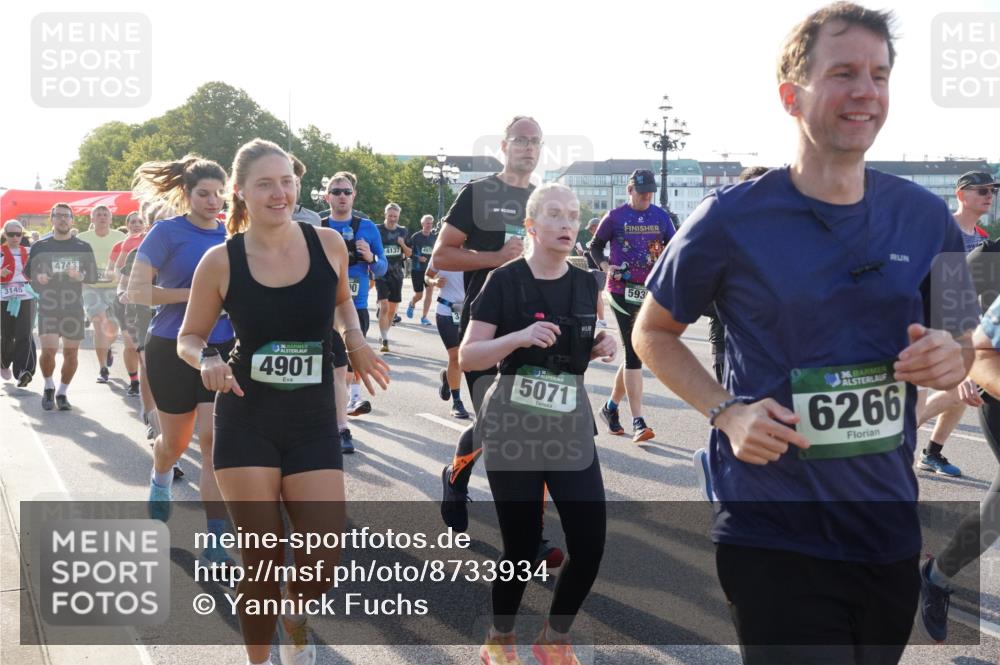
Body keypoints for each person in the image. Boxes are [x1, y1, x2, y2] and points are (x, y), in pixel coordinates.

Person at [634, 4, 978, 663]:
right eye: (844, 73)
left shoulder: (926, 217)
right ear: (792, 96)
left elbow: (966, 337)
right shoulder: (728, 218)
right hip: (772, 526)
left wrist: (950, 353)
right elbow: (653, 331)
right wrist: (726, 411)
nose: (867, 91)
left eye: (880, 75)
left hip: (885, 524)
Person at [179, 138, 389, 665]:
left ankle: (294, 615)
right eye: (265, 184)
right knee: (262, 560)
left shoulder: (328, 243)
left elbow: (341, 302)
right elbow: (189, 336)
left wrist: (356, 341)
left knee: (323, 556)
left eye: (287, 182)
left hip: (312, 419)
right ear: (241, 192)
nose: (280, 193)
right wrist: (206, 359)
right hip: (247, 415)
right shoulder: (220, 260)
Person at [462, 183, 615, 664]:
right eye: (554, 214)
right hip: (514, 428)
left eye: (573, 215)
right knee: (522, 549)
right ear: (531, 225)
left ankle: (554, 638)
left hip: (570, 426)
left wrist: (600, 344)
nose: (567, 223)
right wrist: (519, 337)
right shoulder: (504, 281)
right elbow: (469, 356)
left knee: (590, 544)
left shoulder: (588, 283)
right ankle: (499, 639)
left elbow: (581, 341)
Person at [128, 156, 235, 571]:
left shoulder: (232, 234)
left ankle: (215, 541)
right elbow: (137, 292)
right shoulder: (166, 232)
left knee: (213, 444)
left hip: (221, 348)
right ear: (187, 194)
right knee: (174, 443)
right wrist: (196, 295)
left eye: (218, 194)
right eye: (203, 194)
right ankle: (160, 477)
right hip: (171, 347)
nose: (212, 201)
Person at [432, 115, 538, 532]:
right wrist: (496, 259)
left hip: (532, 331)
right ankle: (458, 480)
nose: (528, 147)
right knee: (497, 426)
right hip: (484, 327)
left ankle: (530, 532)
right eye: (521, 140)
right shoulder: (477, 194)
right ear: (504, 145)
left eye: (535, 141)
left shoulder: (542, 199)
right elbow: (442, 255)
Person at [914, 171, 999, 477]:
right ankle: (891, 449)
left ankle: (931, 452)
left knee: (966, 395)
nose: (989, 196)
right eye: (982, 191)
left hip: (965, 329)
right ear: (961, 194)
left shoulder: (983, 239)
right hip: (931, 325)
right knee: (956, 391)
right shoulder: (941, 231)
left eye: (992, 191)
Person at [590, 169, 675, 443]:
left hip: (649, 292)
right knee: (634, 351)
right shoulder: (615, 217)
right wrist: (606, 267)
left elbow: (674, 249)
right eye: (642, 192)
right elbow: (595, 246)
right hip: (621, 291)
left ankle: (610, 407)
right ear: (630, 191)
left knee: (636, 352)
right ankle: (638, 421)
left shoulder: (661, 217)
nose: (647, 196)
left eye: (651, 192)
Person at [320, 172, 387, 431]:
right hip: (322, 308)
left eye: (347, 192)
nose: (342, 196)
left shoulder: (367, 227)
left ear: (354, 195)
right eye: (336, 192)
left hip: (355, 306)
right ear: (327, 197)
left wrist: (370, 258)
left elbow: (382, 268)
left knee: (351, 358)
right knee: (331, 364)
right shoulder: (318, 226)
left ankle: (351, 401)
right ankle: (340, 411)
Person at [24, 203, 99, 410]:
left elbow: (93, 276)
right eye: (58, 216)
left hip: (73, 306)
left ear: (72, 220)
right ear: (52, 219)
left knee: (71, 354)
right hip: (48, 305)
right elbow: (29, 273)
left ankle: (62, 392)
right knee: (48, 351)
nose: (63, 219)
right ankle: (49, 386)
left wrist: (79, 275)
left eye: (67, 216)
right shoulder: (40, 246)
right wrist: (38, 277)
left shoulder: (83, 247)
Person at [77, 205, 126, 383]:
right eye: (98, 214)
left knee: (112, 329)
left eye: (106, 214)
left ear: (111, 219)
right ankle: (103, 368)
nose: (102, 217)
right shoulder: (82, 238)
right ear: (92, 219)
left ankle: (107, 348)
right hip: (91, 287)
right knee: (99, 323)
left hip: (114, 288)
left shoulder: (121, 237)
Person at [423, 258, 469, 418]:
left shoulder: (476, 252)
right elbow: (427, 276)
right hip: (447, 309)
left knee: (467, 357)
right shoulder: (442, 253)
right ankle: (457, 402)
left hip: (470, 310)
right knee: (456, 356)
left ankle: (448, 378)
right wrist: (434, 282)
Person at [107, 211, 146, 395]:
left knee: (145, 345)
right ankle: (134, 380)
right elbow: (116, 270)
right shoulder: (124, 244)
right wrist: (123, 287)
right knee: (131, 343)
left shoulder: (156, 241)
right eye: (133, 222)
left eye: (140, 222)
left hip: (149, 299)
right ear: (127, 224)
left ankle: (148, 381)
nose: (136, 225)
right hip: (126, 297)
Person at [1, 219, 37, 387]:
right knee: (6, 334)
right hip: (3, 297)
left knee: (25, 333)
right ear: (5, 235)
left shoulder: (29, 252)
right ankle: (3, 362)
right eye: (11, 234)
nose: (15, 237)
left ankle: (24, 371)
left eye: (18, 234)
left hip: (25, 296)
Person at [375, 202, 409, 353]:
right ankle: (384, 339)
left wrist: (402, 245)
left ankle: (384, 333)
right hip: (381, 272)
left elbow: (409, 253)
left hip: (397, 274)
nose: (393, 219)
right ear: (385, 215)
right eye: (390, 216)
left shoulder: (403, 231)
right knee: (385, 306)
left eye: (395, 216)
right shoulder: (377, 229)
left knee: (392, 309)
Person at [405, 214, 438, 325]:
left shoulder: (434, 237)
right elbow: (408, 253)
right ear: (422, 224)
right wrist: (417, 258)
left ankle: (424, 317)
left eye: (431, 223)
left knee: (429, 293)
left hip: (430, 270)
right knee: (419, 295)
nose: (429, 225)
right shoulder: (415, 237)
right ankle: (412, 303)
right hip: (417, 269)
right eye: (427, 223)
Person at [578, 218, 607, 328]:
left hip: (597, 270)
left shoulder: (600, 239)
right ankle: (600, 319)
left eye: (591, 228)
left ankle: (602, 320)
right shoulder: (603, 238)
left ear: (596, 227)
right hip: (599, 270)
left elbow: (598, 255)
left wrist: (583, 253)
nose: (590, 230)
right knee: (597, 296)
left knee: (597, 296)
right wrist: (584, 253)